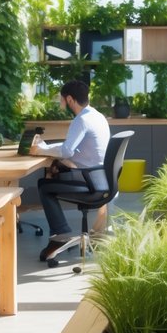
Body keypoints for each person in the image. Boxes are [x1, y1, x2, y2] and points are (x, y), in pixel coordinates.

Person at [34, 80, 112, 262]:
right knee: (54, 172)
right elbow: (71, 147)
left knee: (44, 185)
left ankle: (60, 235)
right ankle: (60, 233)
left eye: (61, 99)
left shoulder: (81, 120)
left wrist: (40, 150)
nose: (61, 103)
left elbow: (67, 151)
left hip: (87, 179)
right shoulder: (97, 116)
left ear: (69, 99)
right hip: (100, 177)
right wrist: (47, 148)